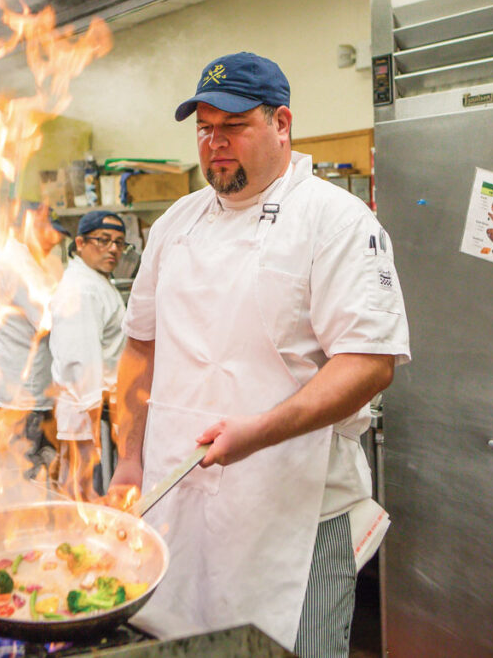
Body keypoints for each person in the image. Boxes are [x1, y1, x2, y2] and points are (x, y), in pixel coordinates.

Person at [108, 52, 410, 656]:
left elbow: (368, 362)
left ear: (281, 124)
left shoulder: (336, 220)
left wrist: (258, 433)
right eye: (204, 129)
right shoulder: (175, 223)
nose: (215, 143)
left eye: (235, 126)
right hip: (178, 502)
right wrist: (129, 459)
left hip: (294, 512)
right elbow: (141, 346)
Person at [0, 202, 69, 482]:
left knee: (27, 474)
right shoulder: (19, 266)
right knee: (28, 479)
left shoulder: (25, 261)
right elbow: (51, 320)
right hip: (21, 395)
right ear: (28, 227)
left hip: (20, 391)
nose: (55, 241)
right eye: (48, 231)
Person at [49, 210, 129, 499]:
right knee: (82, 495)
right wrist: (94, 419)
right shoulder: (81, 290)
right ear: (80, 243)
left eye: (119, 243)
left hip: (99, 406)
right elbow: (82, 360)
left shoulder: (96, 280)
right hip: (88, 410)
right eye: (103, 240)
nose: (112, 249)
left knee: (85, 491)